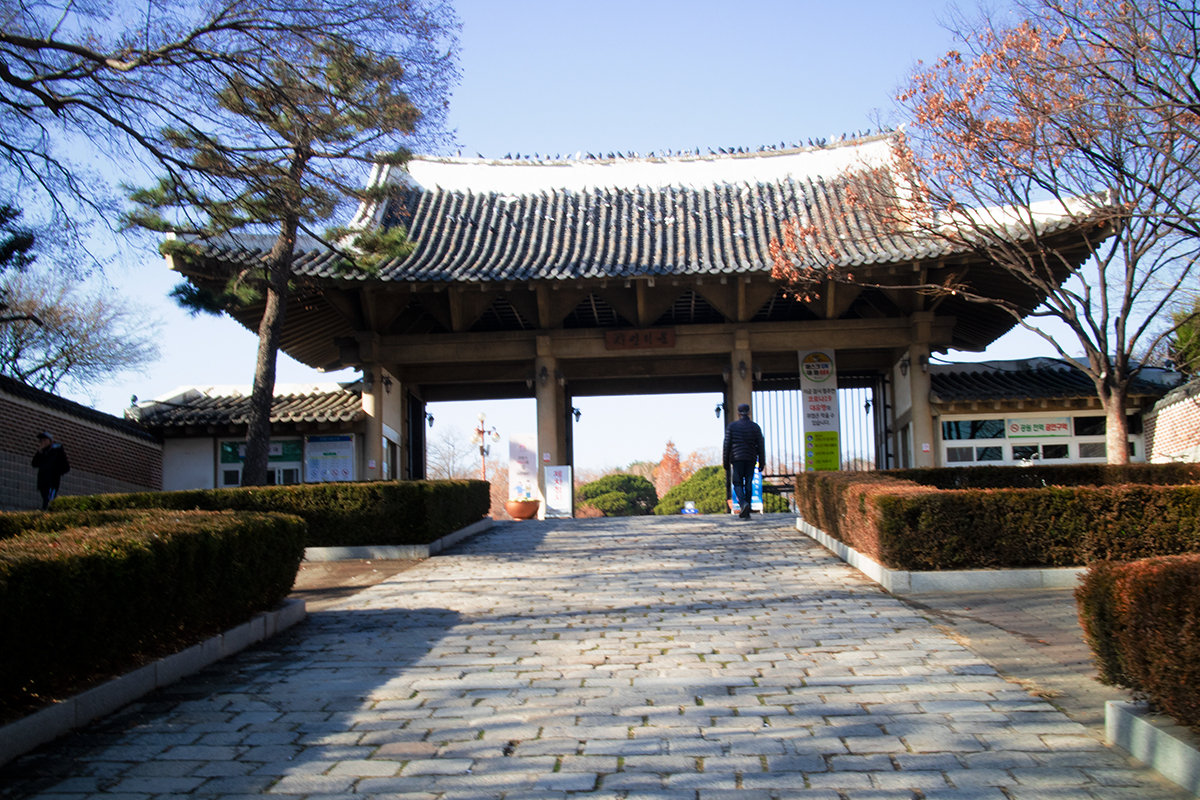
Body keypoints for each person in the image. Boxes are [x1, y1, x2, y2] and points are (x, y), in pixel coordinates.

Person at [723, 403, 765, 520]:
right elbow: (761, 445)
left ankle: (743, 503)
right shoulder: (755, 427)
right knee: (749, 482)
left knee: (737, 483)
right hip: (751, 457)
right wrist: (762, 461)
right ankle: (748, 508)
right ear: (749, 413)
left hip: (737, 458)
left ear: (738, 413)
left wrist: (726, 462)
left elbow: (727, 445)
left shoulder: (732, 426)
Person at [32, 431, 70, 510]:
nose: (42, 443)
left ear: (50, 441)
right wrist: (39, 452)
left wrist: (55, 474)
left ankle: (46, 516)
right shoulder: (43, 452)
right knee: (45, 499)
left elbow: (66, 467)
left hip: (52, 482)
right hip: (43, 482)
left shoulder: (57, 451)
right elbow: (34, 464)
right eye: (41, 441)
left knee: (48, 502)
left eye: (44, 440)